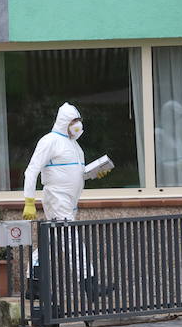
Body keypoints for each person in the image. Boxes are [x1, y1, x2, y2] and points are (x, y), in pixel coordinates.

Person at [21, 102, 113, 302]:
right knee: (72, 241)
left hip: (70, 203)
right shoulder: (50, 141)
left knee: (51, 242)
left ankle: (33, 283)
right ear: (64, 122)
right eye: (74, 121)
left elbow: (73, 174)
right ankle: (90, 284)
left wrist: (93, 173)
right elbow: (31, 170)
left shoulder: (74, 146)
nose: (78, 125)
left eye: (79, 121)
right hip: (57, 200)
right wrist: (29, 201)